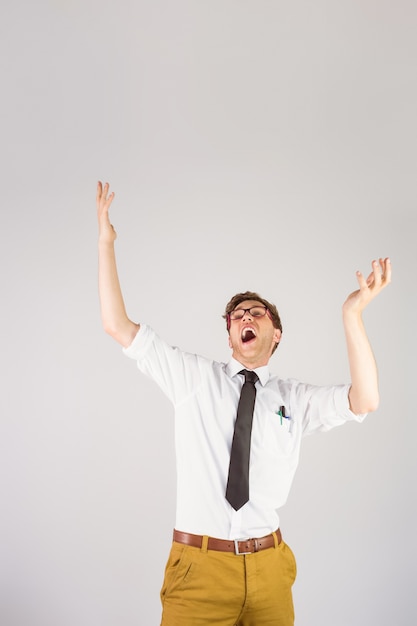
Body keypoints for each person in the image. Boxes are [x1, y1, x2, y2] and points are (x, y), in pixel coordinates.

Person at [96, 181, 392, 626]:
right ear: (231, 336)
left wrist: (352, 315)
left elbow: (365, 399)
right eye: (238, 316)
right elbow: (117, 325)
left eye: (257, 313)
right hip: (200, 570)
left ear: (276, 334)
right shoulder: (194, 379)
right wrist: (105, 242)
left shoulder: (292, 399)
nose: (246, 317)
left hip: (270, 567)